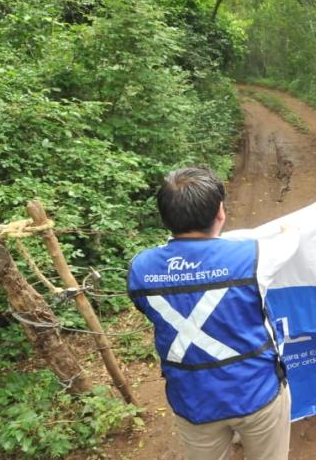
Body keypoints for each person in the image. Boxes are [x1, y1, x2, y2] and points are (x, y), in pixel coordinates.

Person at [127, 167, 299, 459]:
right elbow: (291, 238)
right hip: (256, 392)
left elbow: (146, 309)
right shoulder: (254, 255)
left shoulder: (141, 268)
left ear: (166, 218)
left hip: (192, 400)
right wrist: (287, 227)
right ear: (220, 212)